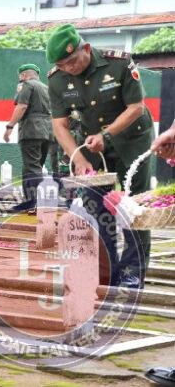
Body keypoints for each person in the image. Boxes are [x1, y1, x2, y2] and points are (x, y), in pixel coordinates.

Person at [47, 23, 154, 288]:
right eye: (61, 65)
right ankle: (106, 269)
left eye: (72, 61)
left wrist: (106, 135)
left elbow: (136, 107)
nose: (68, 68)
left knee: (134, 205)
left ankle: (133, 270)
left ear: (85, 48)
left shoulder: (119, 63)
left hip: (132, 139)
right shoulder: (56, 79)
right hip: (92, 145)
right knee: (95, 206)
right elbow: (59, 125)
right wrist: (78, 159)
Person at [3, 63, 53, 213]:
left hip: (31, 130)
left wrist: (10, 126)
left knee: (32, 167)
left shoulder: (26, 85)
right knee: (34, 166)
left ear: (23, 75)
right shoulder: (46, 88)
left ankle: (34, 203)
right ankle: (30, 202)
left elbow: (21, 106)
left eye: (20, 76)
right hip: (47, 130)